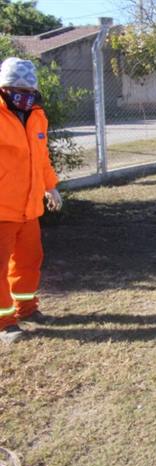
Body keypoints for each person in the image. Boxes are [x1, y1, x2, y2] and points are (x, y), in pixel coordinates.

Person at [0, 57, 62, 344]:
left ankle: (26, 308)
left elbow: (41, 158)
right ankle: (5, 323)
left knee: (29, 260)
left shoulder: (36, 114)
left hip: (29, 209)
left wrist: (51, 187)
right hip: (3, 209)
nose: (22, 96)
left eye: (28, 92)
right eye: (15, 90)